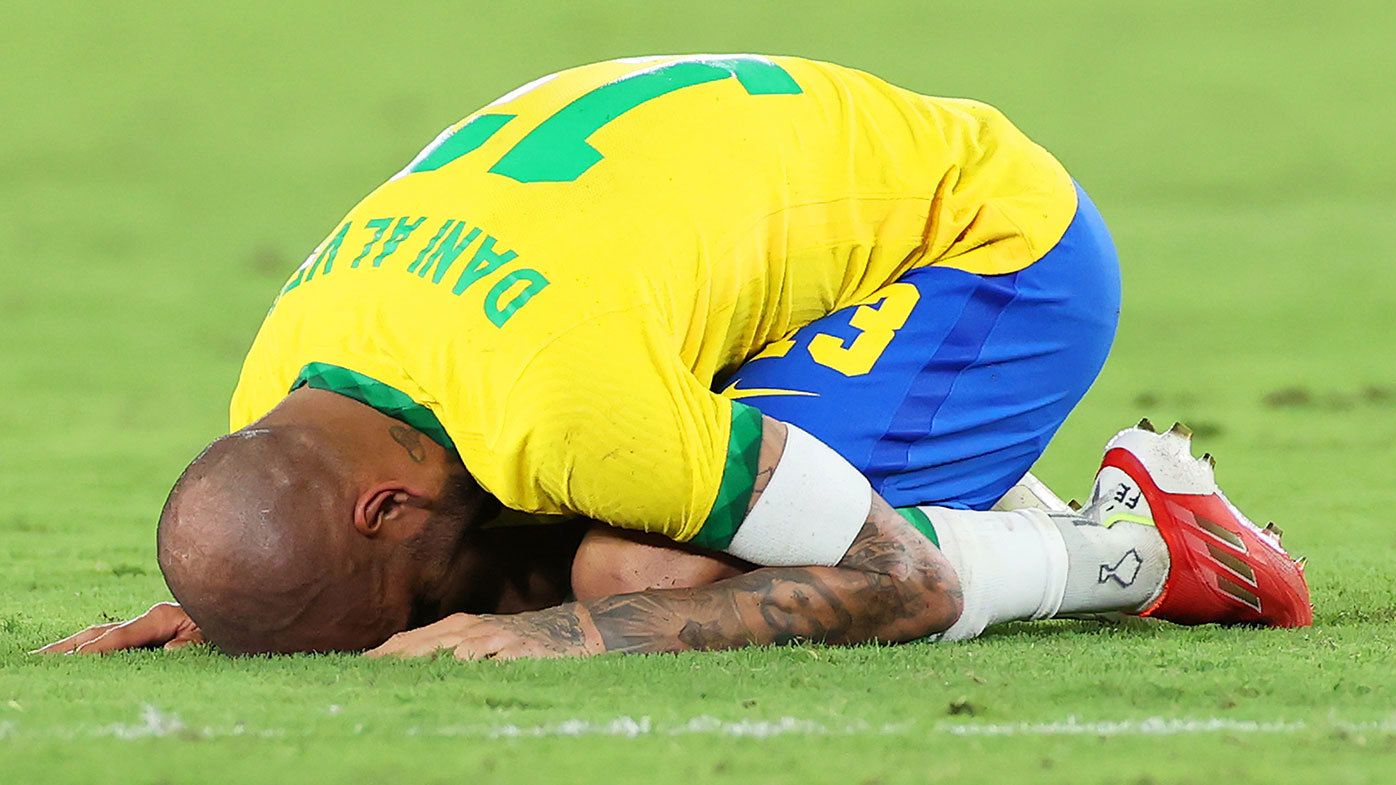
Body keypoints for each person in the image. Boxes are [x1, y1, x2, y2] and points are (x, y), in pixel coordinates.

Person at [36, 54, 1311, 660]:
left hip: (986, 250)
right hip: (733, 264)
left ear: (380, 505)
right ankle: (956, 471)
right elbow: (353, 521)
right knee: (573, 536)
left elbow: (899, 583)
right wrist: (249, 601)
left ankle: (1133, 545)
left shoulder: (567, 405)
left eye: (397, 608)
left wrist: (562, 637)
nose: (416, 629)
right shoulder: (287, 382)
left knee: (635, 562)